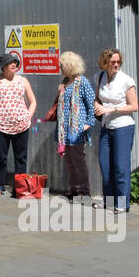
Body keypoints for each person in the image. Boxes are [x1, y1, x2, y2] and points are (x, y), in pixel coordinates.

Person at [0, 53, 36, 197]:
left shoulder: (23, 81)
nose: (14, 65)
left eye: (15, 63)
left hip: (21, 126)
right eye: (10, 63)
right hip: (0, 126)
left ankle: (20, 188)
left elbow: (33, 101)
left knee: (21, 158)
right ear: (3, 66)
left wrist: (28, 116)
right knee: (1, 157)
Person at [94, 48, 138, 212]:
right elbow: (97, 98)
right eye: (113, 62)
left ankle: (122, 204)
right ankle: (109, 201)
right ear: (105, 62)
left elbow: (134, 106)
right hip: (107, 126)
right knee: (105, 165)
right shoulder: (100, 77)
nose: (116, 65)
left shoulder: (126, 80)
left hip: (123, 126)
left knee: (120, 167)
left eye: (118, 62)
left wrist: (111, 110)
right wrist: (97, 105)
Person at [55, 52, 96, 202]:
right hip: (64, 129)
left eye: (62, 65)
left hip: (77, 129)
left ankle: (84, 191)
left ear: (69, 65)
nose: (60, 67)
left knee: (78, 160)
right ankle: (74, 189)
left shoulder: (82, 82)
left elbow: (92, 103)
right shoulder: (65, 82)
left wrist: (88, 124)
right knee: (69, 160)